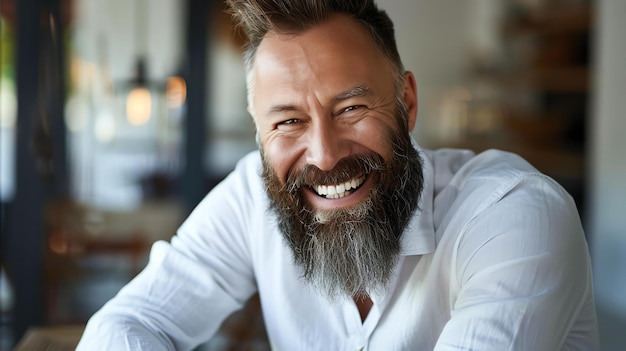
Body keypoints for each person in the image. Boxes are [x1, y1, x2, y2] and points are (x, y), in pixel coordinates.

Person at [77, 0, 599, 349]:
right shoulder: (250, 195)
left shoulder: (515, 214)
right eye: (288, 121)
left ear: (407, 103)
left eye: (351, 109)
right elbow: (127, 324)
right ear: (260, 136)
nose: (324, 155)